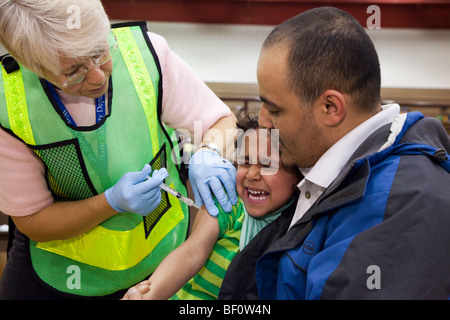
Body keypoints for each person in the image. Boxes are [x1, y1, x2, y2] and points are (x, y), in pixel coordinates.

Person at [0, 0, 237, 299]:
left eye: (100, 52)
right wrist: (110, 202)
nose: (98, 76)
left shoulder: (146, 54)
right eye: (74, 71)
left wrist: (209, 151)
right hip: (60, 277)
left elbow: (221, 121)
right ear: (34, 68)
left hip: (160, 260)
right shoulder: (8, 105)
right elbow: (33, 220)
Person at [218, 7, 450, 300]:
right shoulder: (335, 176)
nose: (263, 121)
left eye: (275, 109)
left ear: (331, 108)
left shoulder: (401, 206)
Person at [121, 114, 302, 300]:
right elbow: (191, 253)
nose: (252, 174)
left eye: (268, 164)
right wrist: (148, 295)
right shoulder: (228, 203)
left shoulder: (302, 227)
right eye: (245, 162)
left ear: (298, 174)